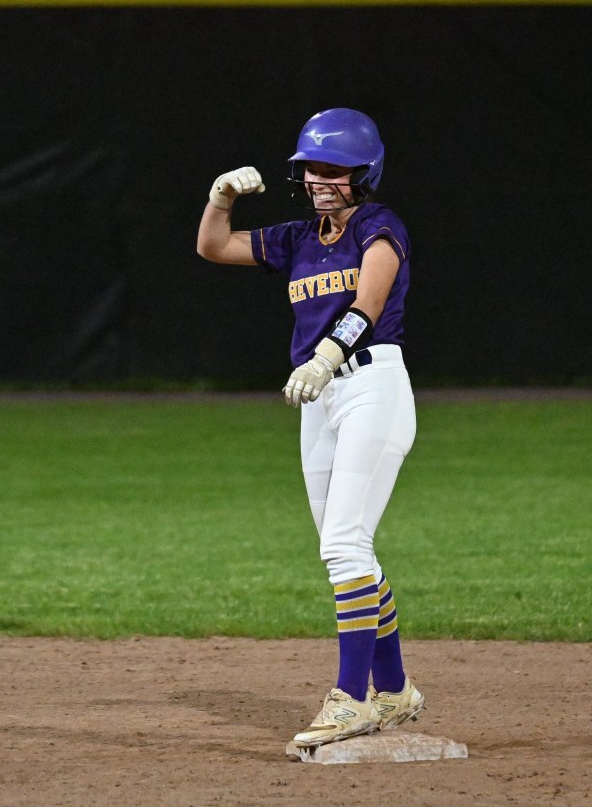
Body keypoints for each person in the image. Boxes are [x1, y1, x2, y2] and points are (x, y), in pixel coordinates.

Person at [195, 108, 423, 748]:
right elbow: (213, 246)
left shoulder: (379, 226)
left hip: (370, 385)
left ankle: (351, 699)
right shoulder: (299, 237)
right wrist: (220, 199)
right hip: (320, 399)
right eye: (312, 168)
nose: (320, 179)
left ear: (364, 173)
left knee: (344, 546)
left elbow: (368, 303)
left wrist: (325, 356)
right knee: (346, 548)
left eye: (334, 169)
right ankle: (395, 690)